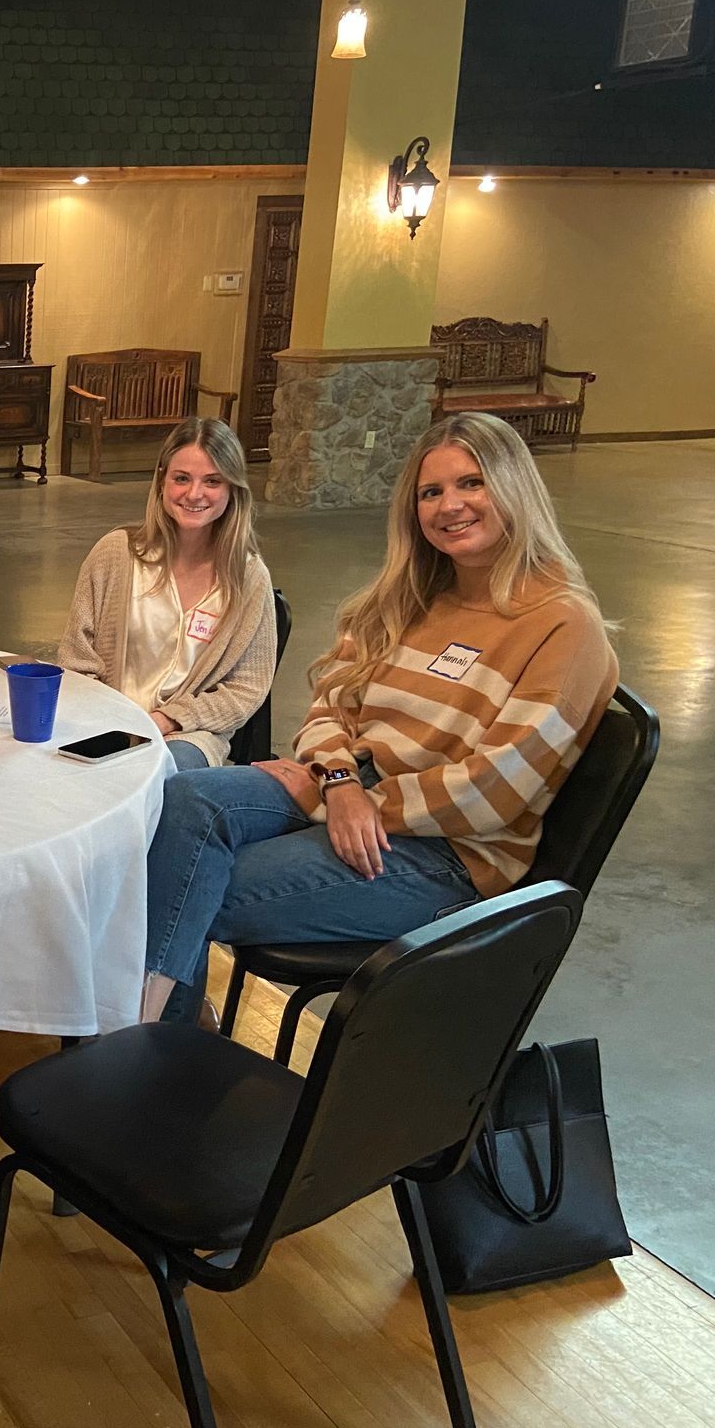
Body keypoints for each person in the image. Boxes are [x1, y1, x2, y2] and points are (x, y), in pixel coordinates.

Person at [142, 412, 618, 1024]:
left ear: (514, 488)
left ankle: (144, 1039)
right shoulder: (411, 597)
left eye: (471, 483)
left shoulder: (562, 625)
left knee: (193, 881)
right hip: (349, 793)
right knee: (183, 801)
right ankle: (160, 1035)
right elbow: (327, 707)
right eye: (431, 492)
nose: (450, 506)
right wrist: (337, 782)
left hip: (446, 855)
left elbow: (496, 792)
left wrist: (339, 799)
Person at [57, 417, 276, 771]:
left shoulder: (249, 579)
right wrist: (111, 720)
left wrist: (167, 720)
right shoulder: (115, 554)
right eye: (182, 478)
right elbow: (75, 660)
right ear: (162, 481)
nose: (194, 494)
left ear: (233, 489)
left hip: (189, 734)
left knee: (159, 769)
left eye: (212, 481)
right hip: (105, 721)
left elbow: (247, 689)